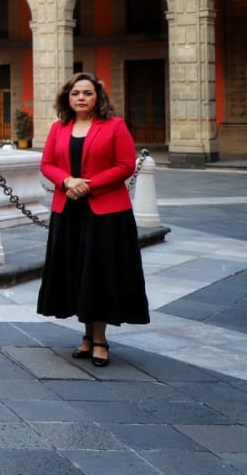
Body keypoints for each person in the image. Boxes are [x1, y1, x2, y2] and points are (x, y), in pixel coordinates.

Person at [36, 72, 149, 367]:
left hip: (106, 213)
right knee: (77, 272)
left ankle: (100, 339)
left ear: (98, 96)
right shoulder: (58, 128)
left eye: (87, 93)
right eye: (75, 93)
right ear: (67, 98)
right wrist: (68, 181)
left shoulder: (114, 126)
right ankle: (85, 336)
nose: (81, 98)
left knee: (99, 273)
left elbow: (126, 165)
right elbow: (47, 163)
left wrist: (88, 185)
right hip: (69, 210)